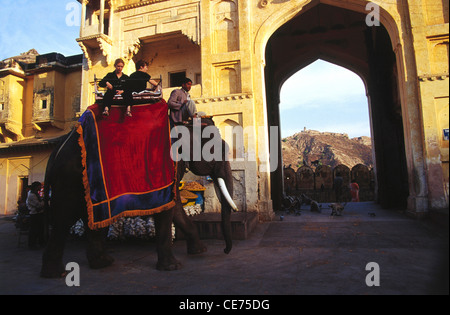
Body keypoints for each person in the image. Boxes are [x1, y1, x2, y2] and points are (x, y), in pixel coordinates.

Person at [26, 181, 45, 249]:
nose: (41, 187)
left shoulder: (35, 194)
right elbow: (38, 205)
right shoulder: (32, 195)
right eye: (39, 186)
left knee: (39, 229)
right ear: (36, 187)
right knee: (34, 230)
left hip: (38, 213)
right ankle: (32, 244)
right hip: (35, 214)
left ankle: (39, 242)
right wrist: (44, 201)